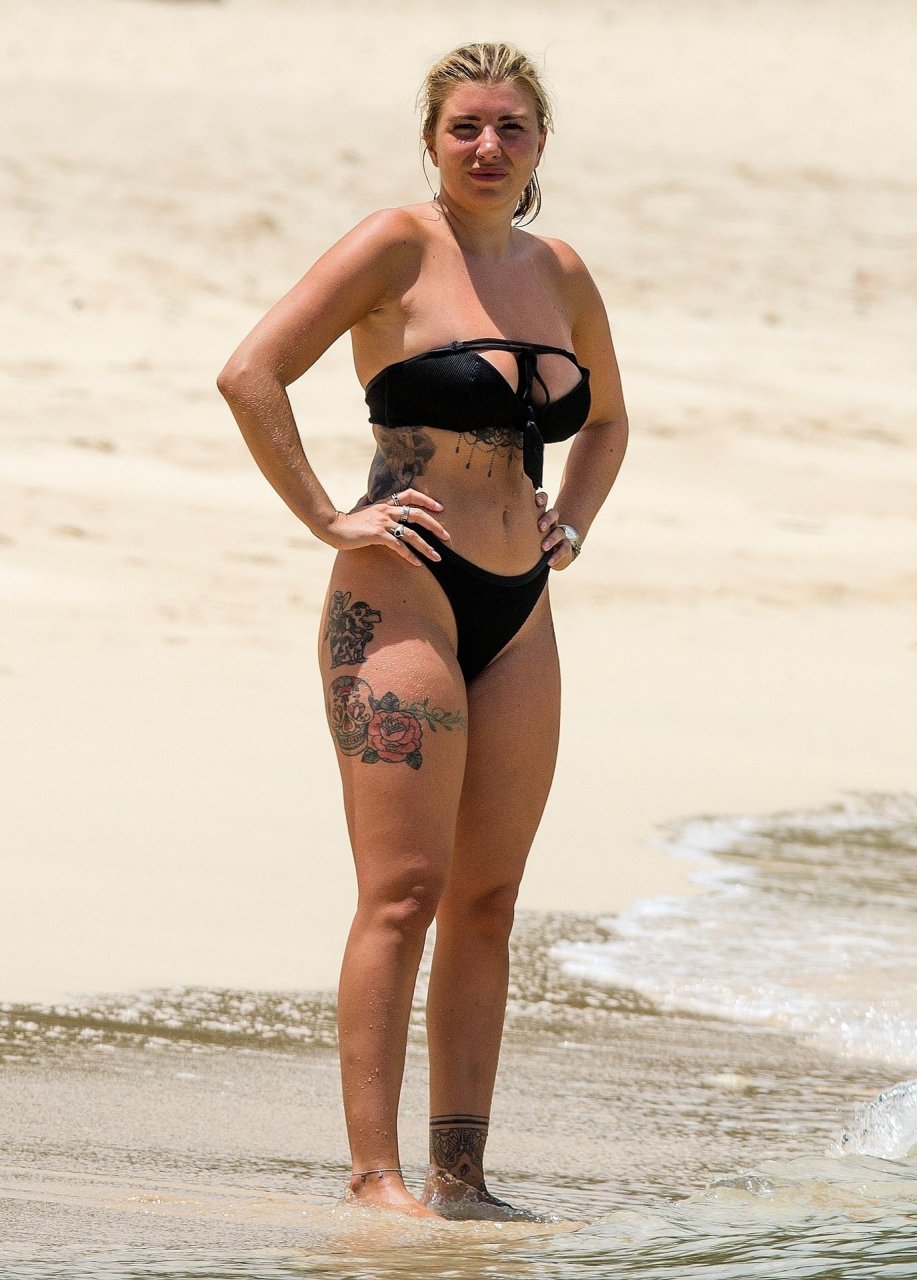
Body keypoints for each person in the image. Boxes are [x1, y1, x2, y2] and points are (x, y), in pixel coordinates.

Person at [217, 41, 628, 1219]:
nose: (488, 147)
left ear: (540, 142)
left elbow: (605, 419)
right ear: (432, 140)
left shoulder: (559, 270)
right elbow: (250, 372)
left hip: (519, 603)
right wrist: (325, 516)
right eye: (465, 128)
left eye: (510, 127)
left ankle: (461, 1176)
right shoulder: (393, 244)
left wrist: (572, 523)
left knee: (487, 900)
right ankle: (373, 1173)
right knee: (402, 889)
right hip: (400, 591)